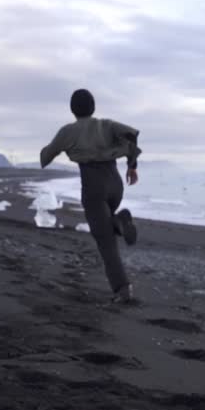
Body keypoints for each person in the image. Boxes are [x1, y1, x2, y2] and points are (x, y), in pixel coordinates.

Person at [39, 89, 142, 304]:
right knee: (107, 229)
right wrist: (132, 166)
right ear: (93, 107)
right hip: (115, 183)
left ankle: (122, 289)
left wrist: (50, 150)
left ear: (72, 109)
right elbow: (132, 135)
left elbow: (45, 157)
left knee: (105, 242)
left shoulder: (68, 131)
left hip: (93, 187)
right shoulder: (106, 124)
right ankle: (118, 220)